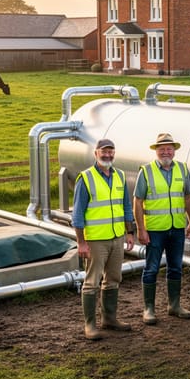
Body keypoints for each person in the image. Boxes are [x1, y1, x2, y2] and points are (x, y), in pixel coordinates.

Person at [72, 138, 135, 341]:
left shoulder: (120, 176)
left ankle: (109, 318)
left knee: (114, 279)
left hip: (117, 238)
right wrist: (81, 242)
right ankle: (90, 325)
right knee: (91, 282)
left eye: (111, 151)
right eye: (104, 151)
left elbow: (126, 206)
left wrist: (130, 232)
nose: (108, 155)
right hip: (95, 240)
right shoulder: (86, 178)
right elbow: (78, 214)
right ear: (96, 153)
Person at [133, 133, 190, 325]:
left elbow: (187, 198)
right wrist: (140, 229)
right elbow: (138, 201)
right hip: (154, 229)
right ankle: (149, 309)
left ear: (174, 151)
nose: (166, 152)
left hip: (176, 227)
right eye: (162, 149)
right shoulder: (146, 171)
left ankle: (174, 306)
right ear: (156, 151)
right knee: (151, 268)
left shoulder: (183, 169)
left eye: (169, 148)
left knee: (176, 267)